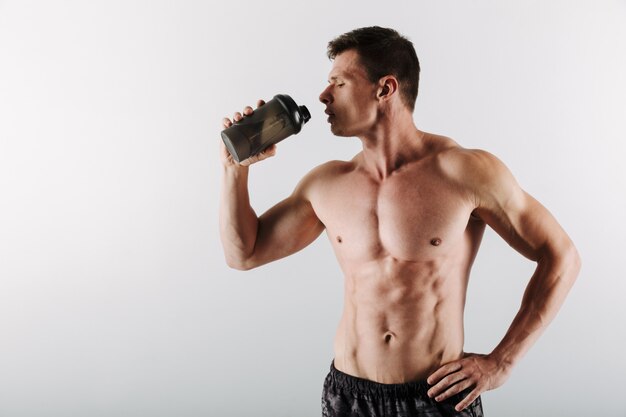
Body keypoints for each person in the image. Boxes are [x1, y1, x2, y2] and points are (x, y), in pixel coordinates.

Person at [219, 26, 581, 417]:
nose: (324, 96)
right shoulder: (326, 184)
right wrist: (233, 171)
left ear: (385, 88)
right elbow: (245, 253)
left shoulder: (465, 172)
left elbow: (561, 256)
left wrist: (501, 363)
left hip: (437, 396)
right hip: (349, 396)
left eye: (338, 83)